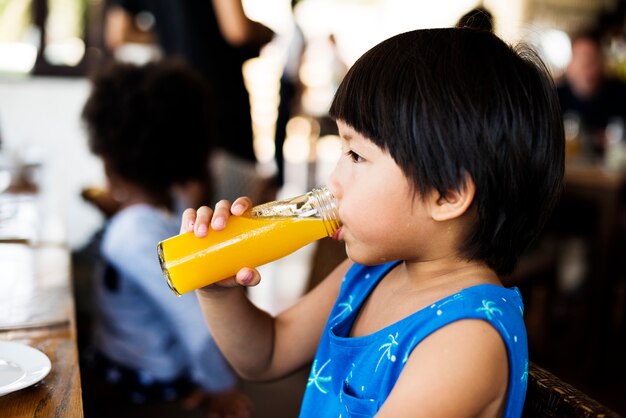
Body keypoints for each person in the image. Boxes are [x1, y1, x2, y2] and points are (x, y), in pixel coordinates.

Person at [181, 28, 564, 417]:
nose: (333, 180)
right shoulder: (371, 272)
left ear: (447, 193)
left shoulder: (465, 339)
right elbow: (267, 353)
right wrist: (219, 292)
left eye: (356, 155)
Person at [80, 59, 250, 417]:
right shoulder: (170, 210)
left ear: (109, 163)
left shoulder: (131, 234)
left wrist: (221, 387)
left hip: (141, 377)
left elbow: (199, 324)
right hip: (143, 359)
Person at [105, 0, 274, 196]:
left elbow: (118, 33)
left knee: (188, 205)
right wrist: (266, 33)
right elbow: (238, 31)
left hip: (174, 97)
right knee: (235, 207)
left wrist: (169, 34)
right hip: (220, 100)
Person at [556, 28, 626, 156]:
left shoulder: (621, 95)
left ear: (603, 64)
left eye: (592, 61)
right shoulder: (554, 98)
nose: (587, 69)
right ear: (569, 65)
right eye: (582, 61)